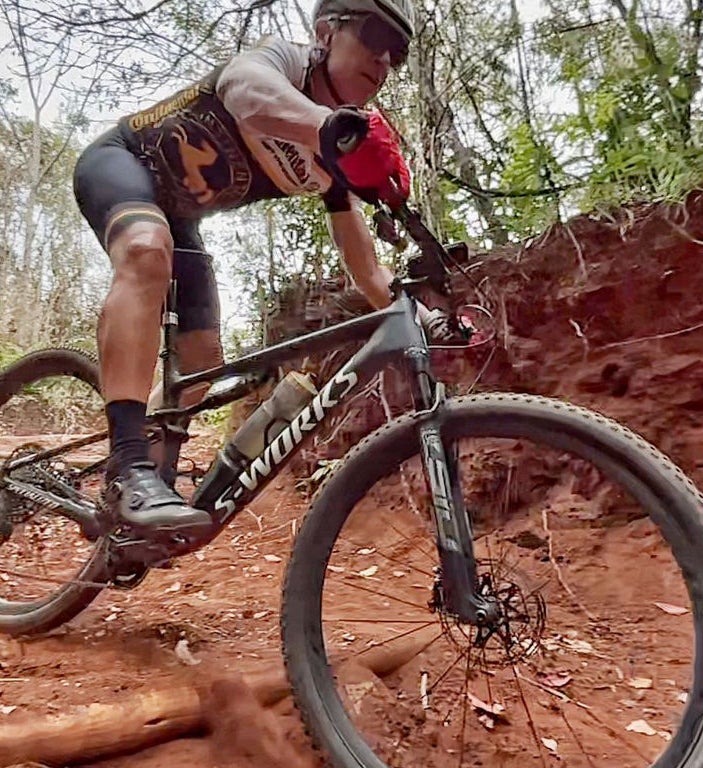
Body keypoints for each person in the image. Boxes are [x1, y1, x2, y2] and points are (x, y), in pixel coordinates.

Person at [73, 0, 441, 539]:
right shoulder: (283, 64)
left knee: (201, 362)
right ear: (323, 33)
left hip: (180, 219)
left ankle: (143, 492)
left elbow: (367, 274)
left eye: (399, 53)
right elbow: (244, 90)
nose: (385, 59)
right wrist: (327, 127)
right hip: (122, 162)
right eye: (373, 35)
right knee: (146, 250)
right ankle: (127, 468)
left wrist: (426, 316)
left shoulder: (341, 146)